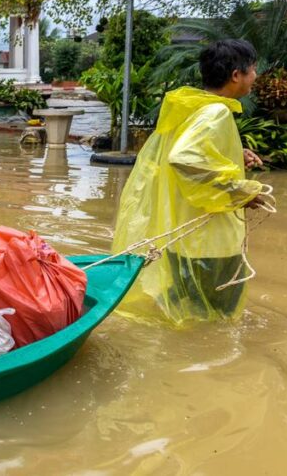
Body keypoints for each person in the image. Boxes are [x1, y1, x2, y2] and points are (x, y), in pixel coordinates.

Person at [111, 39, 268, 327]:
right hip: (211, 244)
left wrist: (234, 154)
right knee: (216, 322)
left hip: (184, 241)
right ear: (236, 75)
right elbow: (184, 158)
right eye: (253, 70)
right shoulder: (216, 112)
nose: (255, 77)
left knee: (186, 313)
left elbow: (191, 152)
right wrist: (241, 192)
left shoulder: (192, 107)